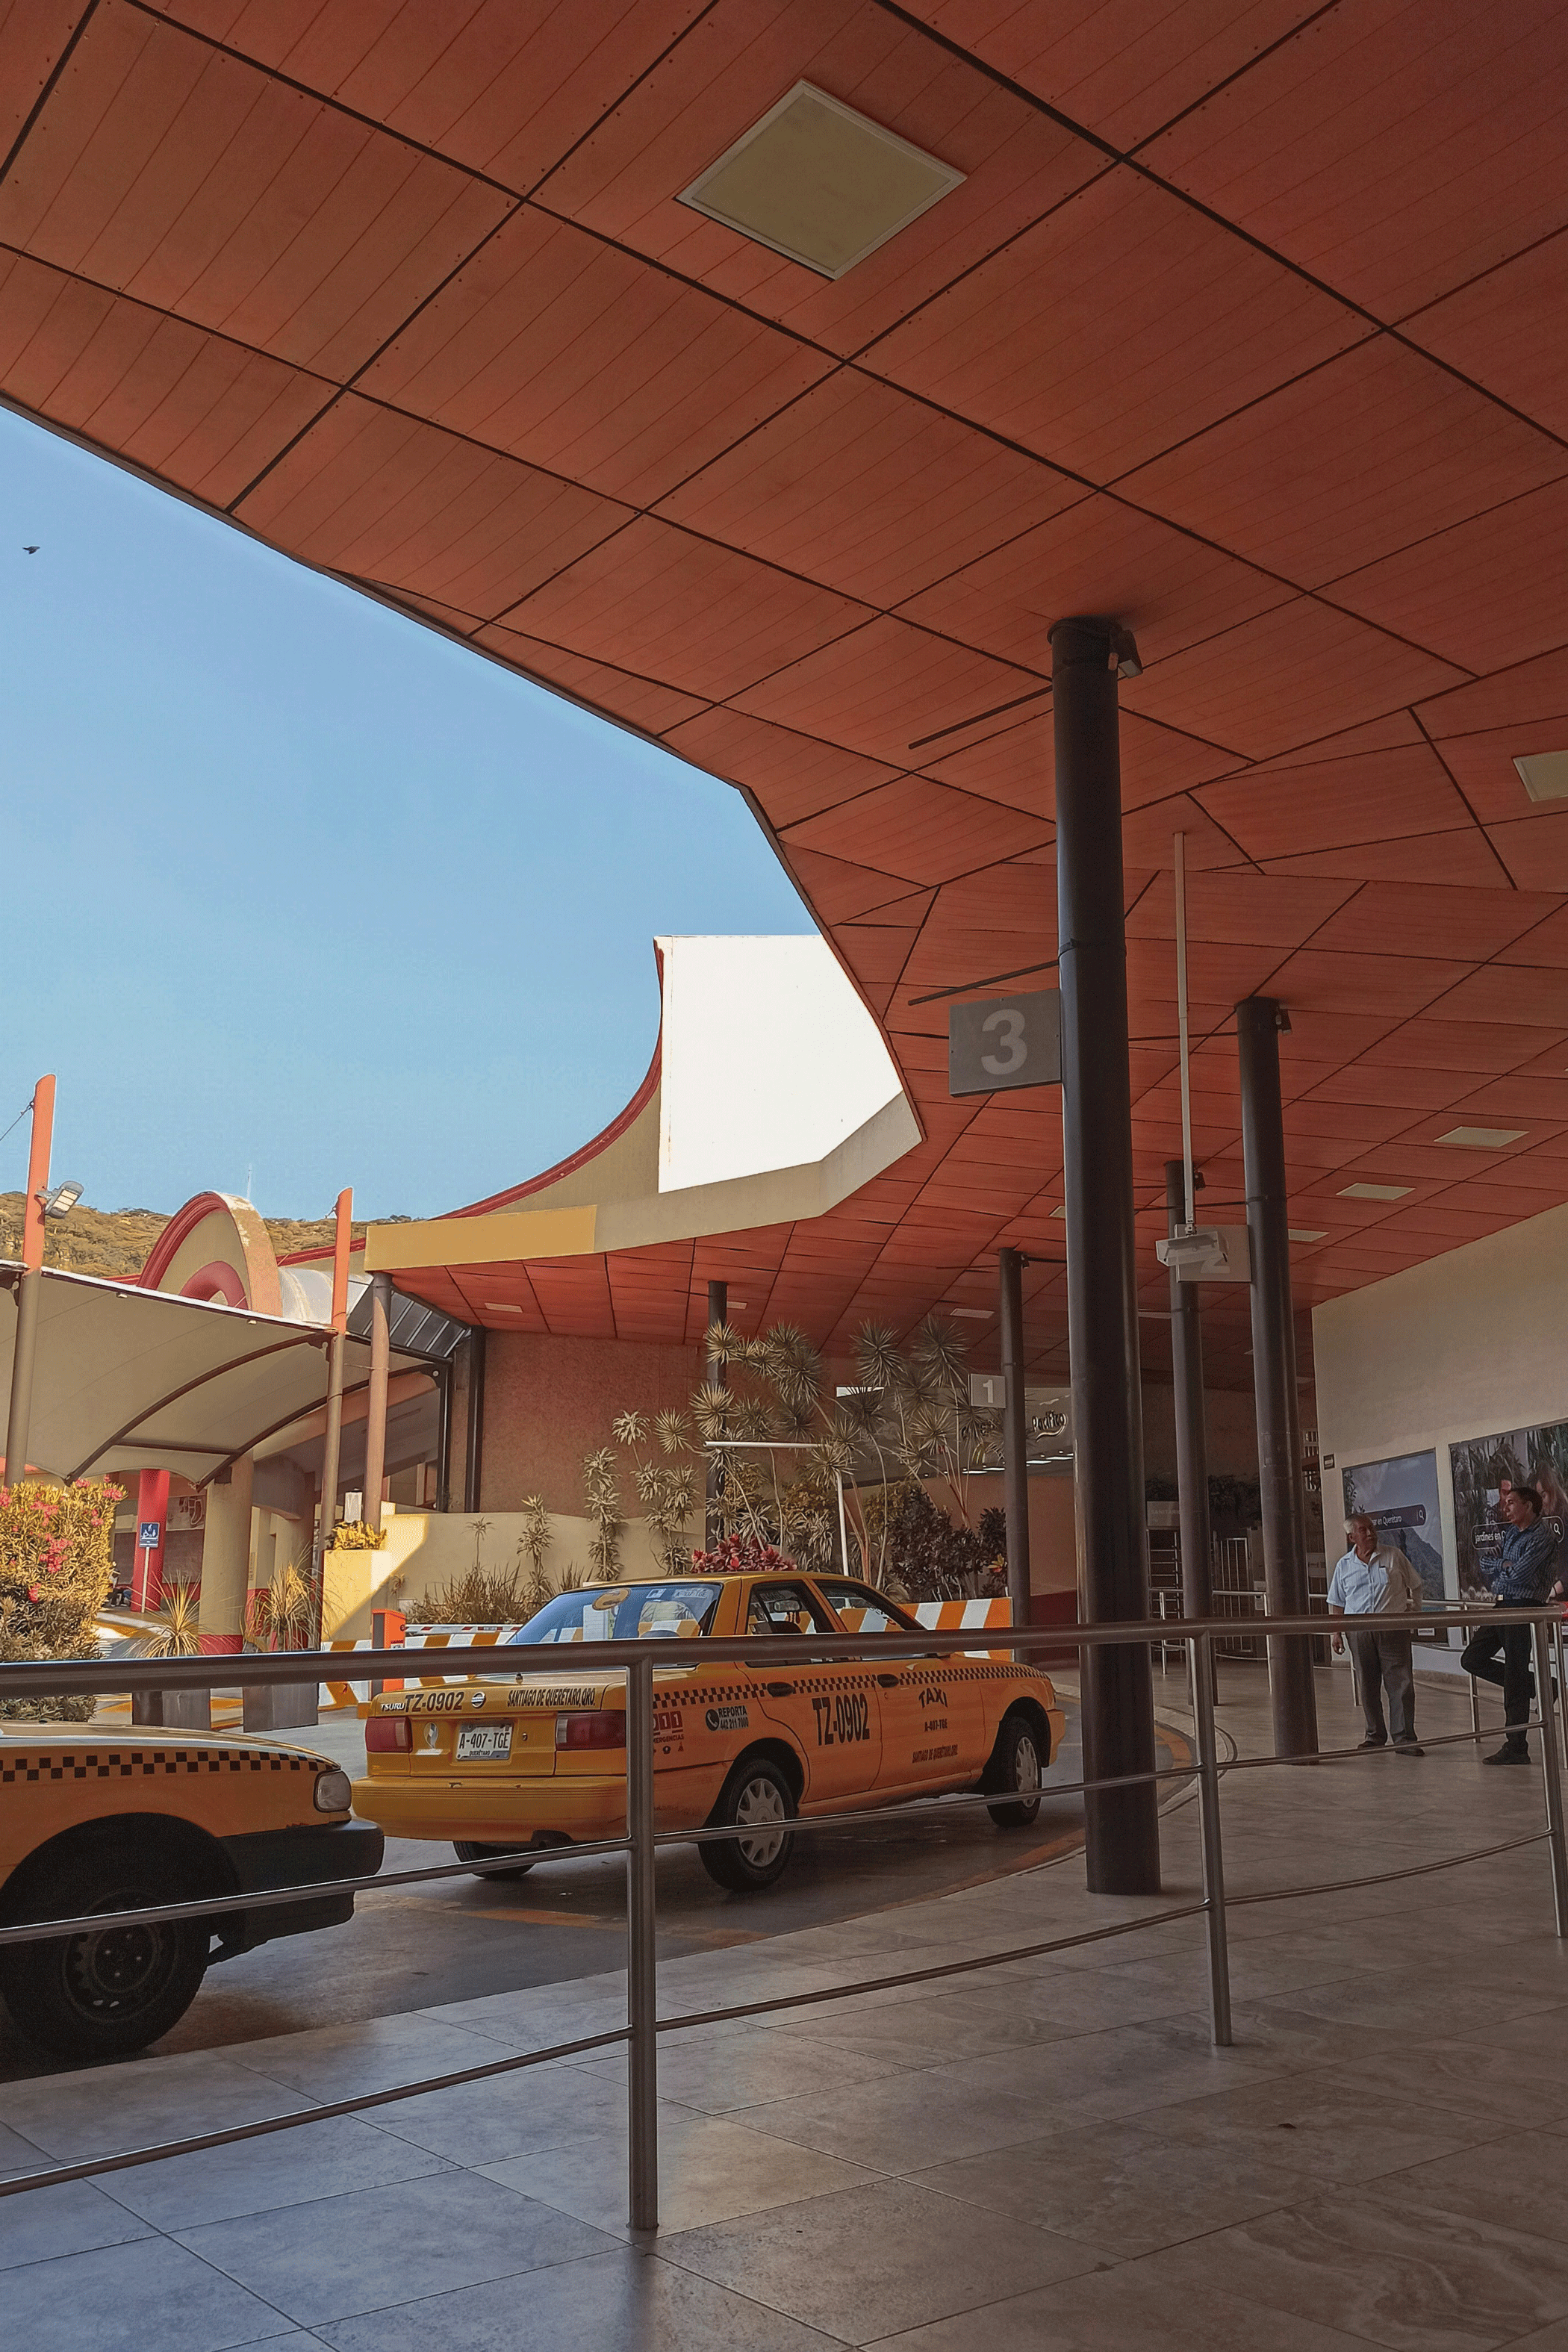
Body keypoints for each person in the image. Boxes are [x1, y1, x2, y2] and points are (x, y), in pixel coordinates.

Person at [1463, 1482, 1558, 1764]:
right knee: (1472, 1658)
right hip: (1504, 1604)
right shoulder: (1512, 1534)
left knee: (1514, 1674)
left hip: (1525, 1607)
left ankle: (1517, 1747)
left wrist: (1503, 1568)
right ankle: (1540, 1686)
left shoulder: (1541, 1536)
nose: (1505, 1507)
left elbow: (1519, 1575)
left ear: (1528, 1505)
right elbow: (1485, 1563)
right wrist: (1505, 1567)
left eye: (1512, 1502)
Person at [1328, 1513, 1426, 1755]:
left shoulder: (1393, 1556)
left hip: (1392, 1629)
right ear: (1352, 1537)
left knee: (1401, 1684)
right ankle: (1374, 1736)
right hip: (1359, 1632)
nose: (1370, 1533)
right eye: (1363, 1530)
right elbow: (1337, 1602)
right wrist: (1336, 1633)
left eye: (1371, 1528)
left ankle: (1404, 1739)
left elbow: (1416, 1584)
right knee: (1367, 1686)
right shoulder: (1344, 1565)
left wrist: (1414, 1611)